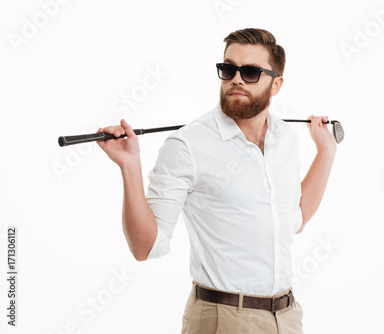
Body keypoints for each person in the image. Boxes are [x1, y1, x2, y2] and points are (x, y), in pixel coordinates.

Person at [96, 28, 337, 334]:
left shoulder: (285, 139)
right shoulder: (187, 146)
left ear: (276, 84)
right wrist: (130, 166)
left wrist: (326, 152)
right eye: (228, 69)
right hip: (224, 320)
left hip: (287, 317)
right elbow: (146, 247)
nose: (236, 78)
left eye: (250, 72)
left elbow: (293, 219)